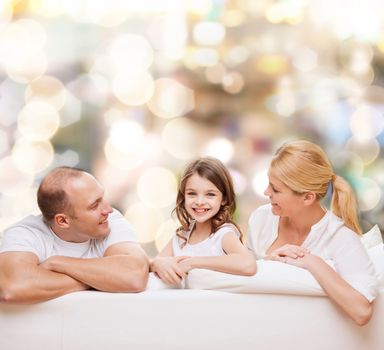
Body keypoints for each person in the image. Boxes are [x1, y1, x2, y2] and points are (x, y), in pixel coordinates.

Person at [247, 140, 378, 326]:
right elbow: (245, 274)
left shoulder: (340, 237)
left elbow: (362, 311)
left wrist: (312, 262)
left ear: (308, 197)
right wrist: (270, 263)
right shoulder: (261, 219)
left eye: (275, 189)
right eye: (269, 184)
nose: (266, 192)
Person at [0, 167, 149, 303]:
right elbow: (12, 288)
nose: (108, 209)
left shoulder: (109, 220)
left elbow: (134, 275)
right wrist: (102, 280)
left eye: (102, 198)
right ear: (63, 221)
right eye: (94, 205)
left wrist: (58, 263)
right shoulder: (26, 233)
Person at [150, 157, 256, 286]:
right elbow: (154, 263)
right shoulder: (181, 237)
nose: (199, 202)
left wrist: (192, 262)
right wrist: (158, 263)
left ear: (224, 199)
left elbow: (248, 264)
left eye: (210, 194)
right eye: (192, 194)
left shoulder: (223, 235)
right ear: (184, 196)